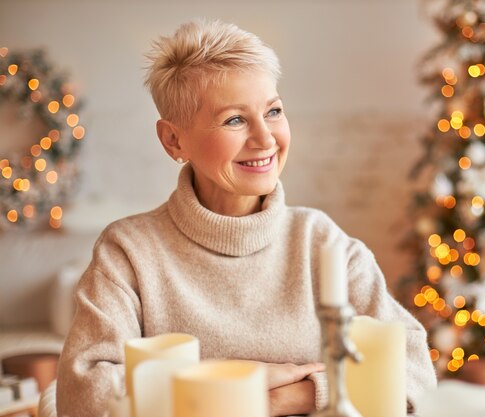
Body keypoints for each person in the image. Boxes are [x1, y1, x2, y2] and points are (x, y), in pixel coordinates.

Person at [56, 18, 437, 417]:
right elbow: (83, 396)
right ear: (173, 139)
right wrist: (236, 383)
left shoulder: (323, 242)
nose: (266, 138)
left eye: (273, 111)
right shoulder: (128, 252)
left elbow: (415, 375)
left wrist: (286, 397)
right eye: (235, 119)